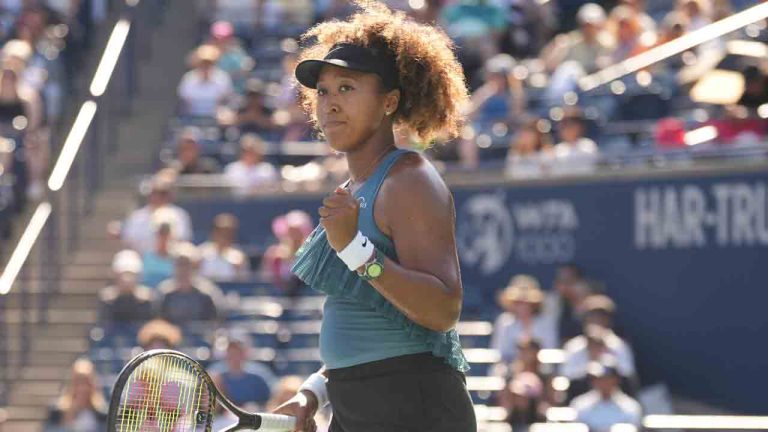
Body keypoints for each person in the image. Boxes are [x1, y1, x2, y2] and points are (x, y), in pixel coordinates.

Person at [273, 2, 476, 431]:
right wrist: (313, 391)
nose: (329, 103)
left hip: (414, 404)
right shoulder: (352, 190)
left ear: (389, 102)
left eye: (346, 88)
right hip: (356, 401)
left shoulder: (409, 179)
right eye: (323, 91)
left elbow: (442, 311)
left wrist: (355, 249)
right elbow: (369, 322)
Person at [491, 275, 558, 364]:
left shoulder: (546, 322)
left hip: (541, 369)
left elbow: (550, 349)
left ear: (534, 304)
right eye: (518, 302)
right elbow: (500, 351)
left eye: (527, 302)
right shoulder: (504, 321)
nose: (522, 306)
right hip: (509, 370)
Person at [120, 173, 193, 253]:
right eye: (154, 193)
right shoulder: (137, 216)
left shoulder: (179, 214)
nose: (157, 197)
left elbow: (184, 238)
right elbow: (128, 239)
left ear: (169, 195)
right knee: (126, 257)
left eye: (162, 193)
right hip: (142, 255)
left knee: (186, 251)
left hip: (171, 256)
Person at [208, 329, 277, 408]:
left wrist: (257, 408)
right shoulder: (215, 373)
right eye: (231, 351)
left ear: (246, 352)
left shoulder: (260, 374)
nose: (234, 355)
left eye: (238, 351)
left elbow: (275, 397)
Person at [570, 357, 642, 432]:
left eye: (607, 379)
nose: (603, 383)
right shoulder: (580, 404)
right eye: (599, 379)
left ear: (616, 381)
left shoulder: (630, 407)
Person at [157, 243, 221, 325]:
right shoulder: (163, 292)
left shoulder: (208, 293)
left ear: (195, 266)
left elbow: (214, 323)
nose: (183, 269)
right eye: (180, 264)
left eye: (187, 264)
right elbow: (159, 323)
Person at [44, 359, 107, 432]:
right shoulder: (56, 412)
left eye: (86, 383)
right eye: (78, 382)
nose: (82, 388)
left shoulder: (103, 414)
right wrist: (69, 415)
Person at [260, 209, 313, 296]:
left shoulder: (312, 254)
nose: (294, 235)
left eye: (298, 230)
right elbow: (267, 281)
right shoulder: (273, 255)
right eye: (291, 230)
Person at [178, 44, 234, 118]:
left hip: (217, 118)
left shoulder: (223, 77)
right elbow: (185, 101)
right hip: (192, 118)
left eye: (209, 62)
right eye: (203, 62)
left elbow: (226, 99)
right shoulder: (188, 78)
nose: (206, 65)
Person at [99, 249, 153, 324]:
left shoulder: (147, 300)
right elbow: (103, 325)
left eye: (131, 274)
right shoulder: (107, 300)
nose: (127, 279)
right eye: (123, 274)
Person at [199, 213, 250, 281]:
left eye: (229, 232)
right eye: (220, 232)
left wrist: (238, 270)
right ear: (213, 233)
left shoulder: (239, 257)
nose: (224, 236)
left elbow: (243, 282)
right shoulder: (200, 253)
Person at [550, 106, 600, 177]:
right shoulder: (557, 150)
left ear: (580, 127)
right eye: (564, 126)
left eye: (572, 126)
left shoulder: (589, 145)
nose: (568, 130)